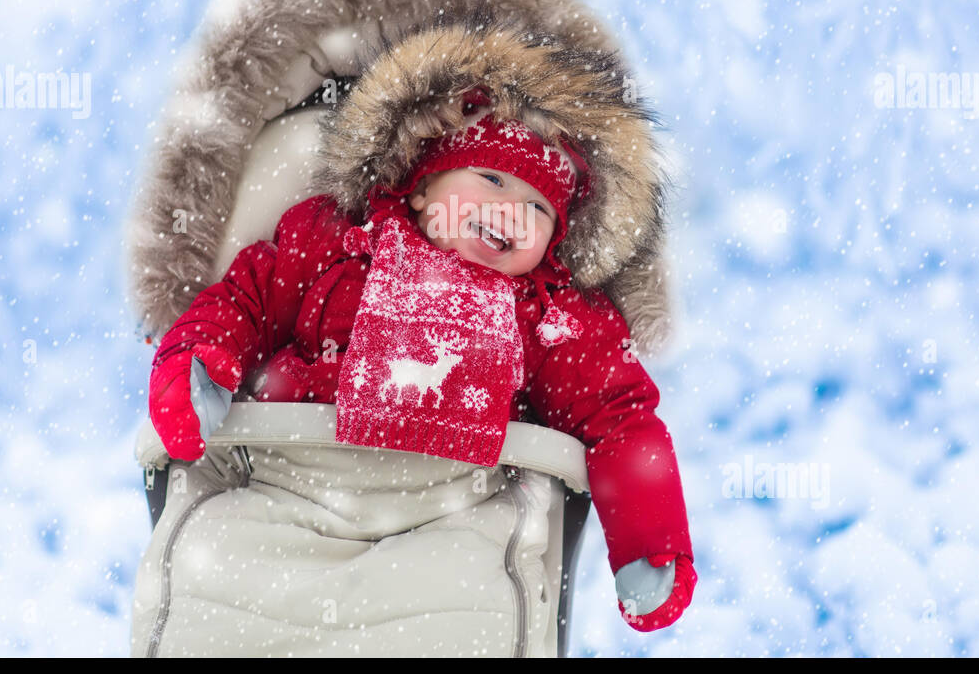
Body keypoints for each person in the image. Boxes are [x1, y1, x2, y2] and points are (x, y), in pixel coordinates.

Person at [147, 87, 696, 633]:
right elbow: (247, 298)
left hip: (455, 510)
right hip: (289, 485)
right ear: (420, 186)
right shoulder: (337, 243)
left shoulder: (547, 312)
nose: (512, 213)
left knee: (466, 608)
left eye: (539, 208)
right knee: (221, 583)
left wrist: (649, 539)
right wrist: (199, 363)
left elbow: (617, 415)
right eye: (492, 179)